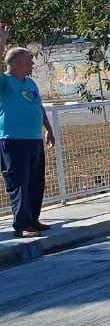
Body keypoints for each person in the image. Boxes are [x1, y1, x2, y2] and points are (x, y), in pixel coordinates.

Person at [0, 25, 55, 238]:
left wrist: (48, 129)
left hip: (33, 139)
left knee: (35, 182)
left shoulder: (30, 83)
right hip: (13, 140)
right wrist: (2, 41)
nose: (33, 63)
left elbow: (38, 106)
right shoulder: (5, 82)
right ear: (19, 62)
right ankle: (21, 225)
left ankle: (33, 220)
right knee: (18, 183)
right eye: (30, 59)